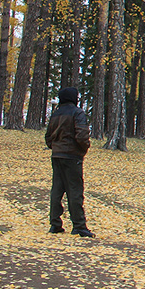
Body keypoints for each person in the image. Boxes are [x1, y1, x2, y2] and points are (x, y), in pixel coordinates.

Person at [45, 86, 93, 237]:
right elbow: (82, 135)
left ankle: (55, 224)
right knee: (75, 191)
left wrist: (56, 147)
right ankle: (79, 226)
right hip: (72, 157)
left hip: (57, 155)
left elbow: (48, 137)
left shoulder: (55, 114)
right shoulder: (77, 113)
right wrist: (83, 149)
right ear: (74, 98)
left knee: (57, 190)